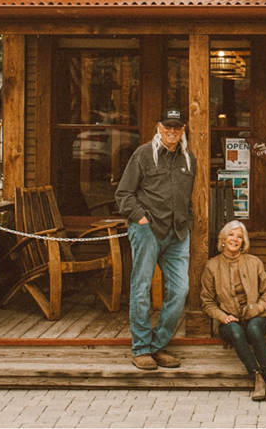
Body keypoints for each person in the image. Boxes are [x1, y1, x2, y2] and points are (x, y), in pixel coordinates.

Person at [115, 107, 196, 371]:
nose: (172, 131)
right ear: (159, 127)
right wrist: (140, 218)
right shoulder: (143, 155)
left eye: (177, 127)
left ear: (183, 129)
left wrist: (188, 221)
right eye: (167, 126)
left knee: (180, 290)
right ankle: (140, 349)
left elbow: (188, 196)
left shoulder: (188, 158)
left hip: (178, 233)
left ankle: (158, 346)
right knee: (141, 289)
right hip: (148, 230)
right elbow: (124, 194)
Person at [200, 220, 266, 402]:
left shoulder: (254, 262)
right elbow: (206, 301)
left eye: (239, 236)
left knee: (253, 329)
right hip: (229, 321)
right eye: (231, 235)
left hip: (256, 317)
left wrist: (258, 307)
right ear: (223, 239)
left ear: (243, 242)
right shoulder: (212, 266)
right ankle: (257, 377)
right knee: (236, 332)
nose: (234, 239)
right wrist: (222, 316)